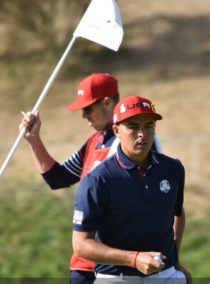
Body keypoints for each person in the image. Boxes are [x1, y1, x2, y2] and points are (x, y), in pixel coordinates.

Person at [19, 73, 162, 284]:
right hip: (84, 262)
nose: (84, 116)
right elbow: (58, 179)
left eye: (88, 109)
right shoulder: (94, 142)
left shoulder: (139, 143)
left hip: (119, 267)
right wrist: (34, 140)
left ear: (106, 102)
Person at [72, 96, 191, 283]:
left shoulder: (173, 169)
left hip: (166, 276)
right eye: (133, 127)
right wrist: (133, 259)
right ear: (116, 130)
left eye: (148, 126)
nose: (142, 134)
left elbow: (177, 214)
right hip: (115, 278)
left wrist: (175, 261)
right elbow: (81, 245)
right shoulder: (97, 180)